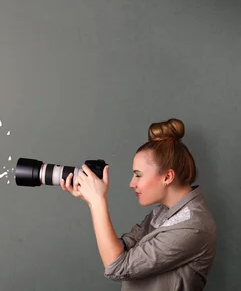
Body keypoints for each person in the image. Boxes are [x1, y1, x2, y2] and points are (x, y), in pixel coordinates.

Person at [60, 118, 217, 290]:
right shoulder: (164, 213)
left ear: (167, 177)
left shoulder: (192, 227)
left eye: (138, 175)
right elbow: (120, 249)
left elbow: (117, 267)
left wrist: (98, 201)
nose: (132, 183)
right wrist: (92, 202)